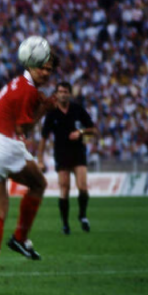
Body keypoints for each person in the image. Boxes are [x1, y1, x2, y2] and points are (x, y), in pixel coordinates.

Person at [0, 39, 57, 285]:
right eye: (41, 68)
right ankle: (20, 237)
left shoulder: (18, 84)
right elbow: (23, 129)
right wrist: (44, 109)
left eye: (49, 69)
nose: (45, 73)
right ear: (30, 65)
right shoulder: (27, 90)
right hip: (3, 144)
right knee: (39, 184)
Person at [37, 82, 96, 235]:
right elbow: (43, 137)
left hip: (78, 152)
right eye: (60, 92)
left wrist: (81, 133)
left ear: (69, 94)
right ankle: (65, 224)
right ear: (56, 94)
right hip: (61, 154)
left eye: (65, 92)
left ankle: (82, 215)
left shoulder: (77, 109)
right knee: (64, 188)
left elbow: (94, 131)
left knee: (83, 187)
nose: (63, 94)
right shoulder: (51, 113)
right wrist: (40, 159)